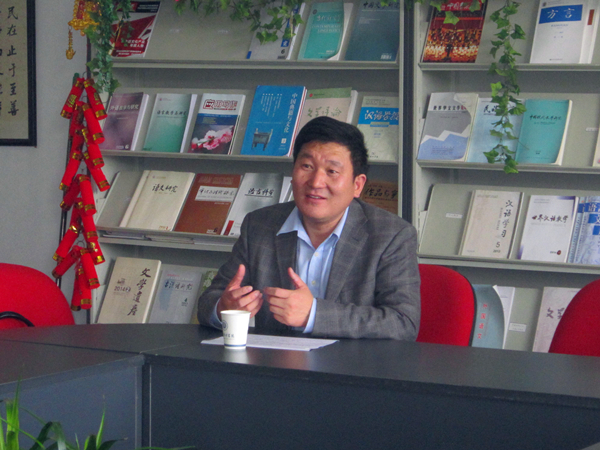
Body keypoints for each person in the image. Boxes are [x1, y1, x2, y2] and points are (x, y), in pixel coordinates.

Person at [197, 116, 420, 339]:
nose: (315, 182)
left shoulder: (391, 235)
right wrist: (224, 307)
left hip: (351, 360)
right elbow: (209, 302)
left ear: (357, 185)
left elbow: (402, 323)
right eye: (307, 166)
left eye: (332, 171)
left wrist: (313, 315)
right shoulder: (259, 225)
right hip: (274, 360)